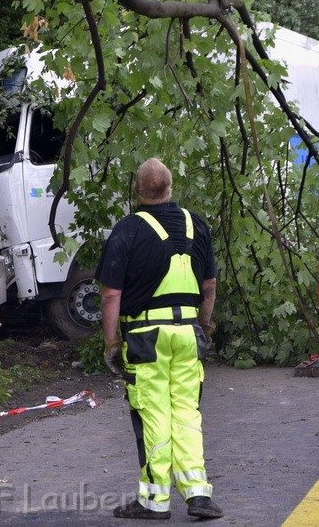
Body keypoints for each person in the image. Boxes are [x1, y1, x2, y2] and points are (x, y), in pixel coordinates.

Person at [96, 157, 223, 521]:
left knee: (153, 414)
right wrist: (204, 325)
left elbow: (109, 295)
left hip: (145, 338)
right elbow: (209, 287)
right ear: (170, 187)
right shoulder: (196, 225)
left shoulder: (127, 230)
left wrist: (111, 343)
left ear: (137, 190)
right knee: (186, 412)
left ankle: (154, 500)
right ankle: (198, 494)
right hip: (188, 334)